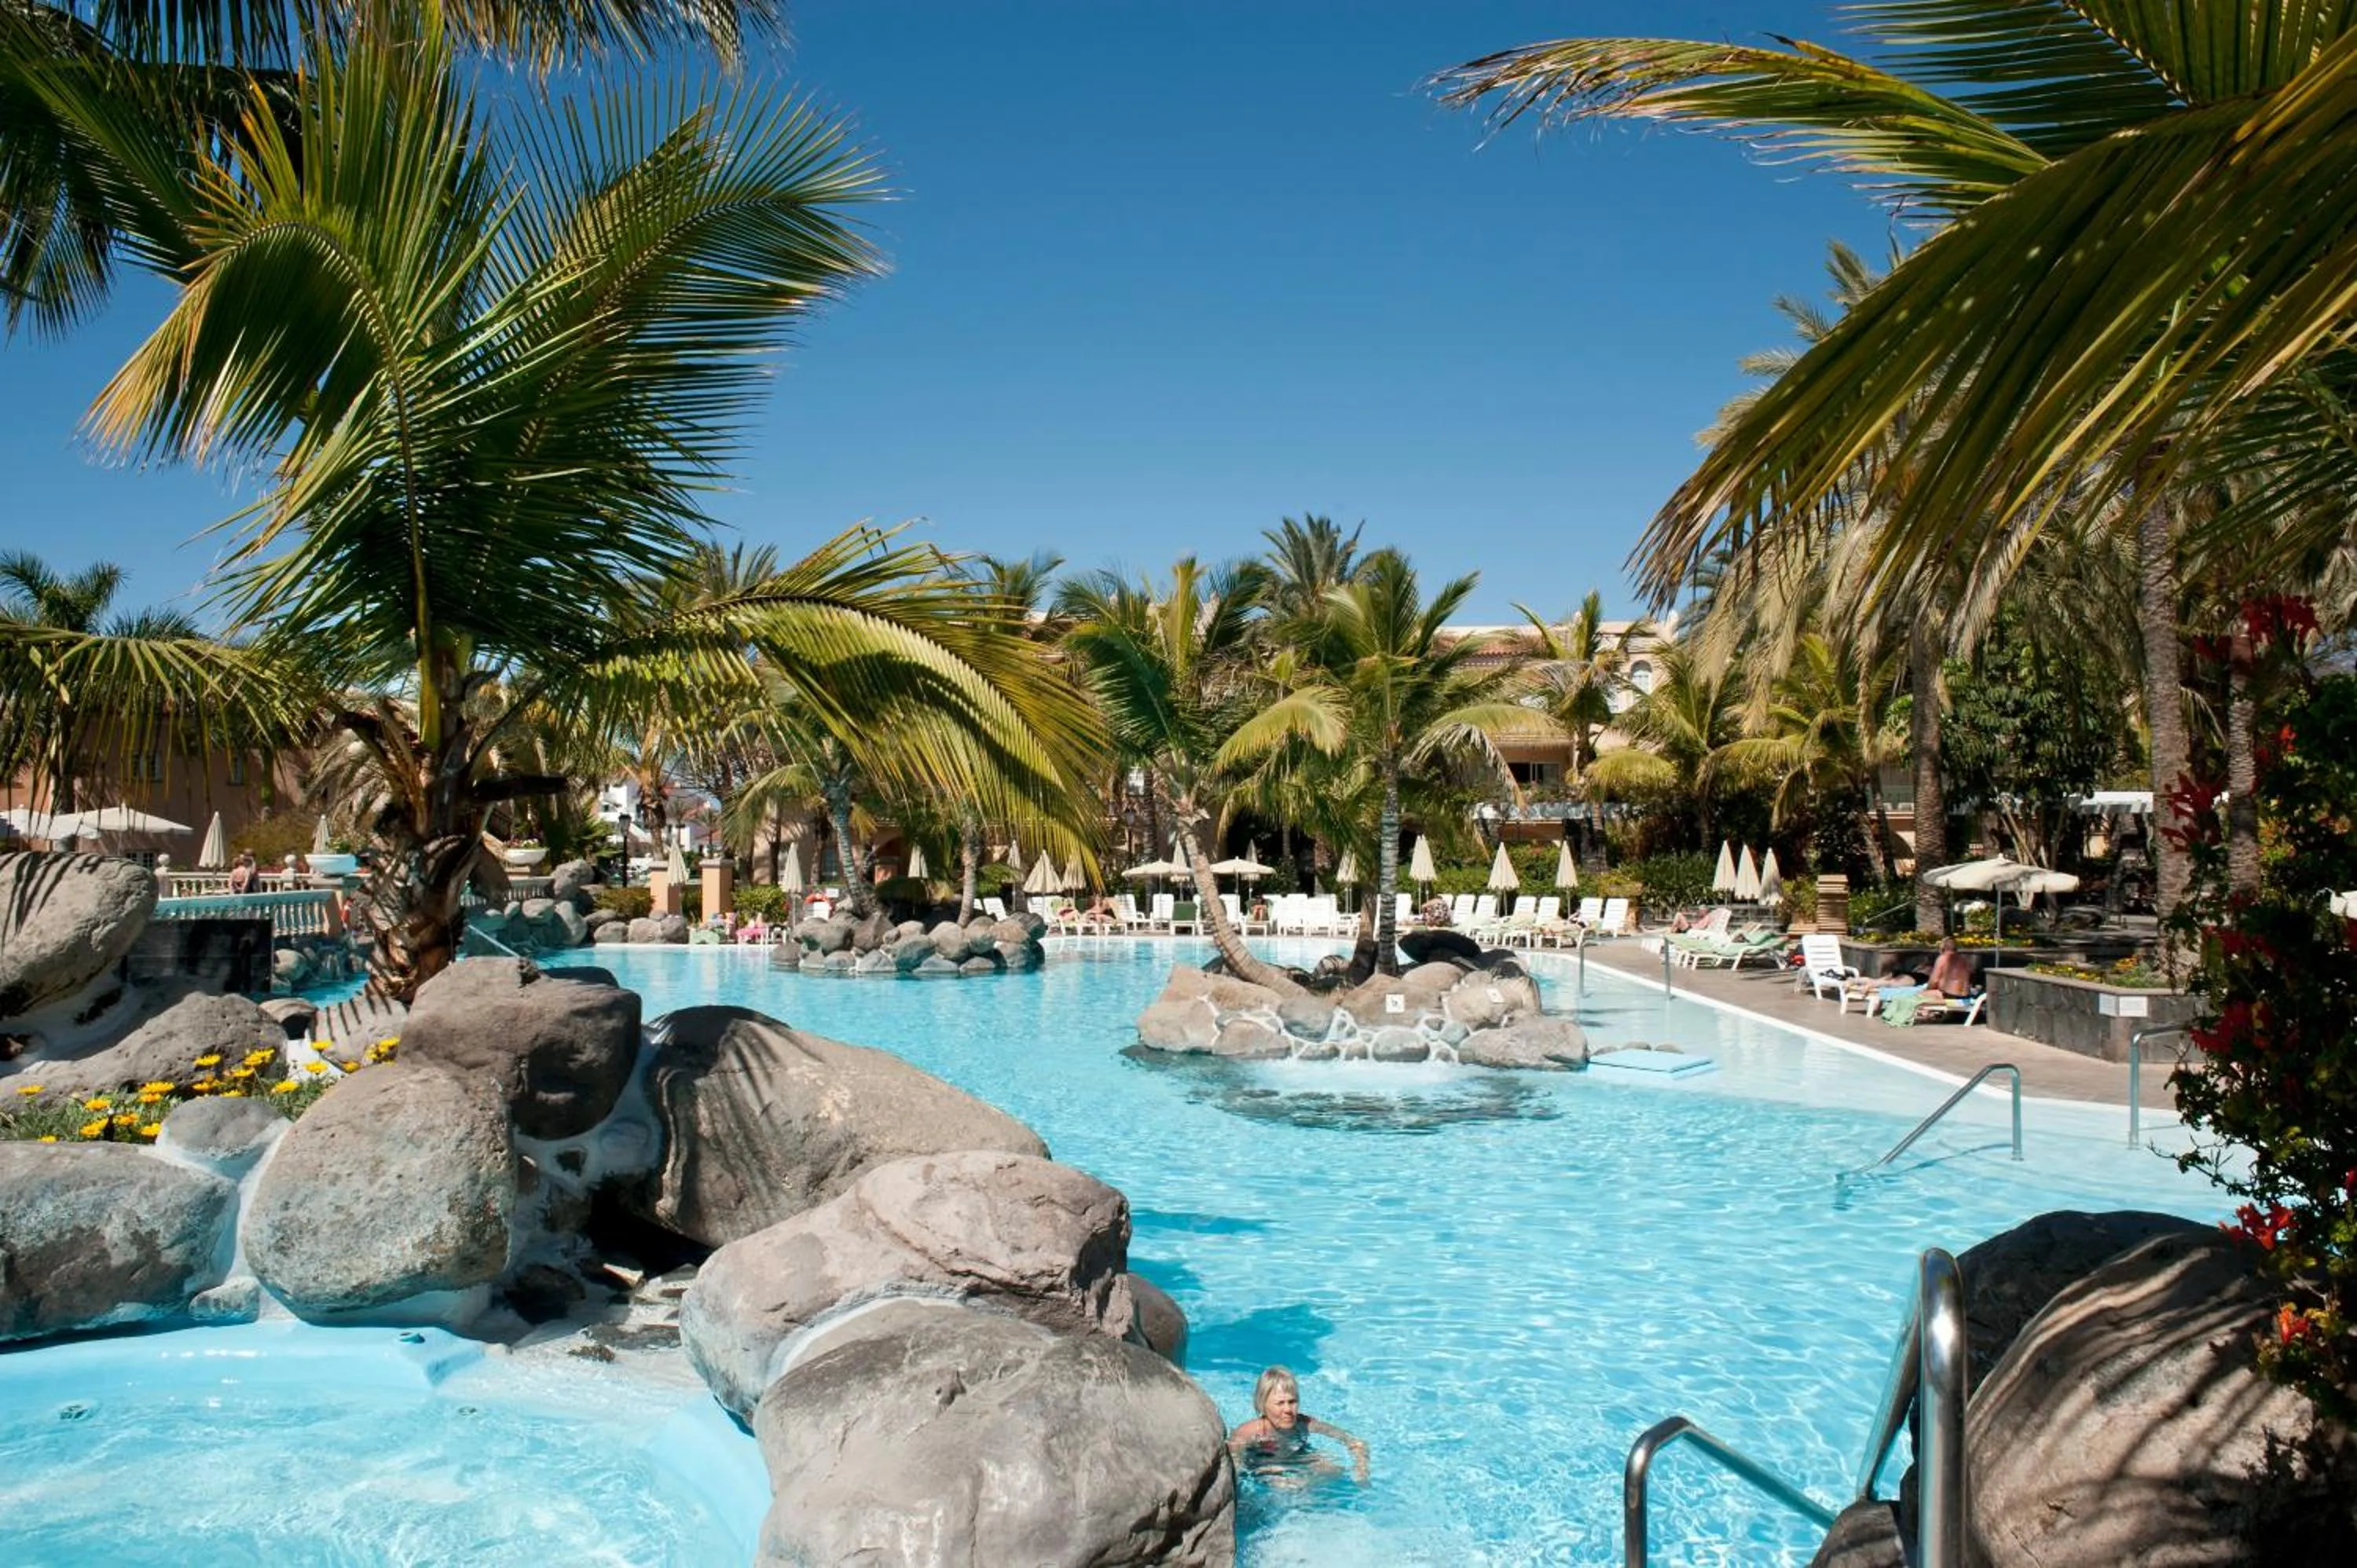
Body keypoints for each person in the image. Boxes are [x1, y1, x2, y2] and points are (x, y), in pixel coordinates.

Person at [1227, 1366, 1369, 1486]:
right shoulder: (1248, 1433)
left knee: (1334, 1470)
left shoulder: (1305, 1424)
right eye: (1280, 1403)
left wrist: (1361, 1470)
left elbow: (1356, 1442)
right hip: (1262, 1466)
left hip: (1296, 1457)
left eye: (1292, 1402)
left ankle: (1301, 1488)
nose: (1288, 1410)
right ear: (1262, 1406)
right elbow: (1233, 1465)